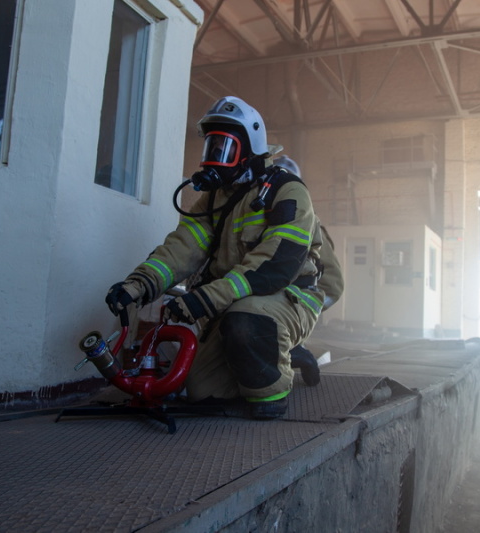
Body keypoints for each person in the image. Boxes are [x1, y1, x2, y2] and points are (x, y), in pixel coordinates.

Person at [105, 96, 325, 419]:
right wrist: (138, 285)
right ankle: (279, 352)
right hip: (236, 302)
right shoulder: (213, 200)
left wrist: (205, 298)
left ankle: (272, 395)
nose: (213, 160)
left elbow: (273, 268)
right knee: (201, 391)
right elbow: (182, 248)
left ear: (250, 151)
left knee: (247, 324)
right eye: (211, 148)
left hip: (288, 297)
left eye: (224, 149)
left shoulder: (288, 192)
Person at [273, 155, 344, 386]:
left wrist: (299, 312)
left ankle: (293, 351)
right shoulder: (251, 219)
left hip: (284, 312)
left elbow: (332, 285)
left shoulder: (311, 226)